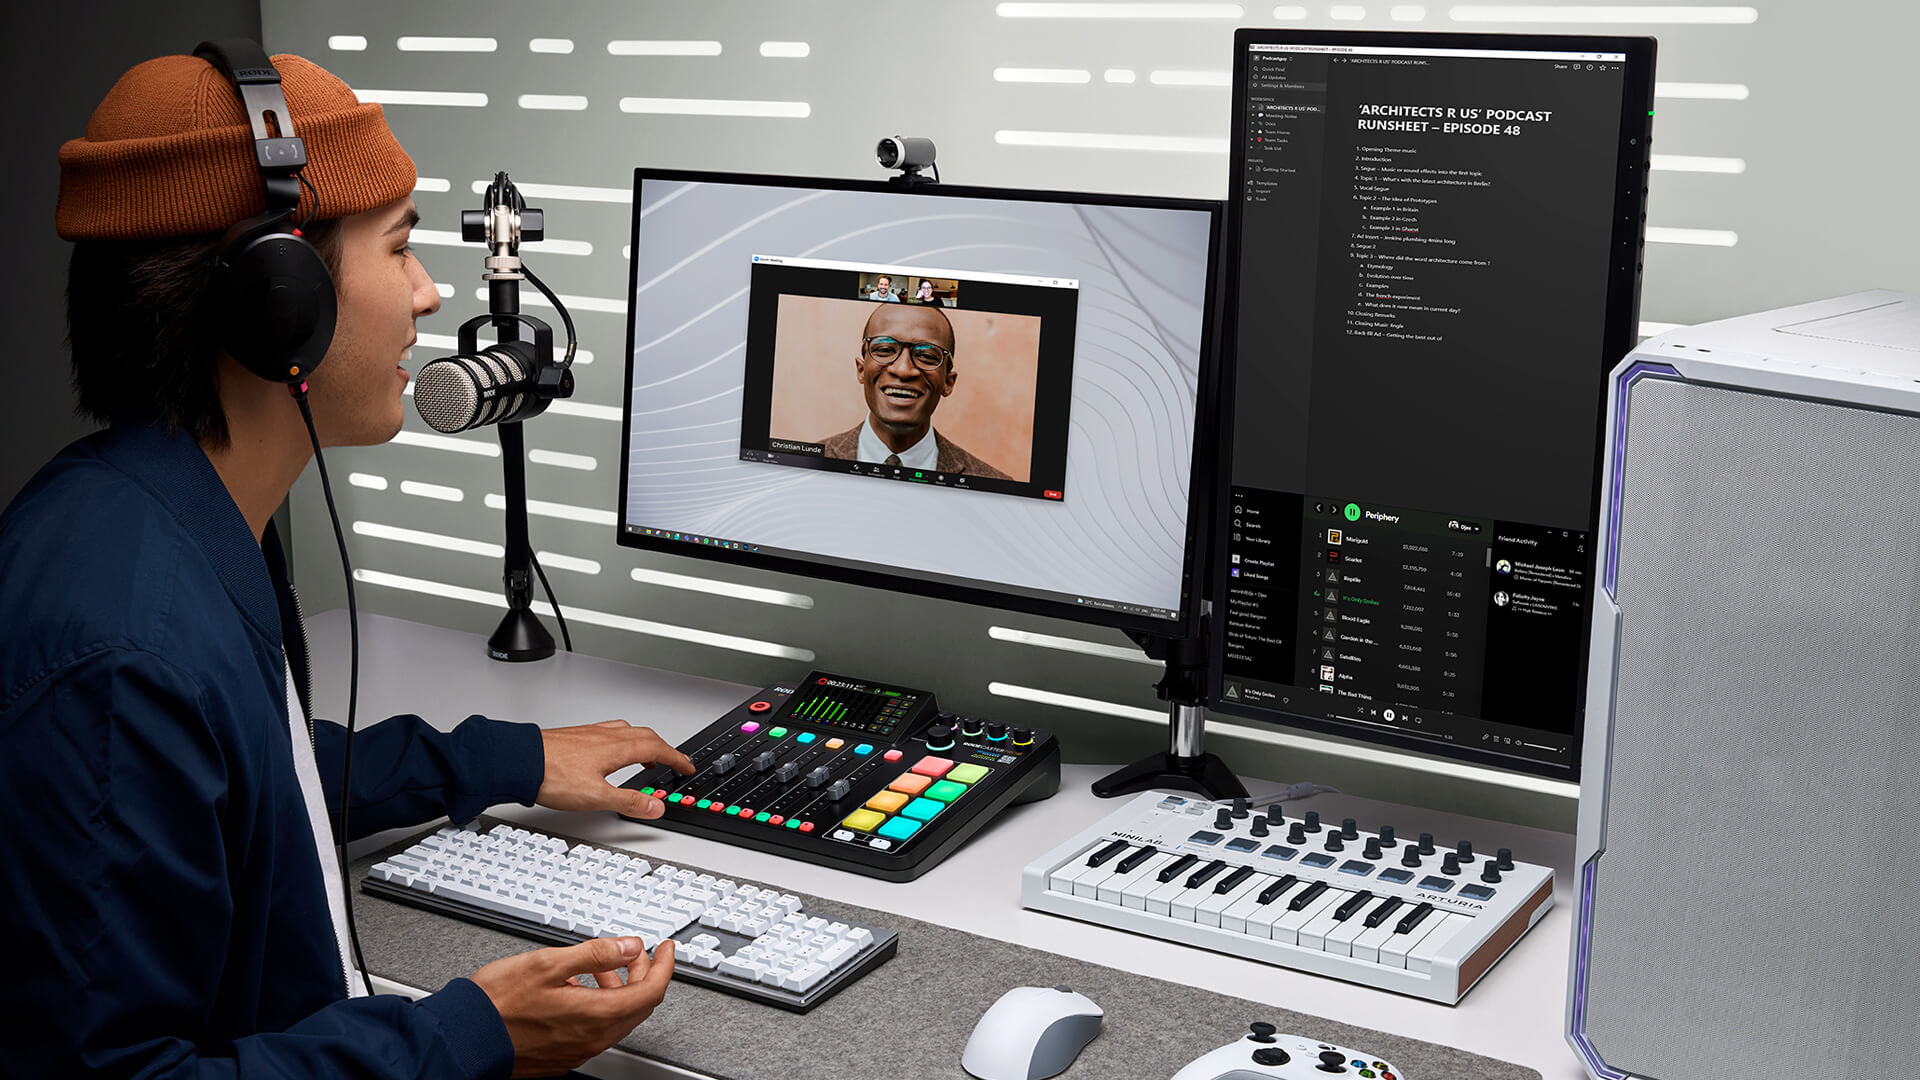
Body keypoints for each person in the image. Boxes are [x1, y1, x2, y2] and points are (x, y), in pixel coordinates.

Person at [0, 47, 697, 1079]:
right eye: (401, 248)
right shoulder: (124, 650)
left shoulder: (154, 516)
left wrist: (497, 763)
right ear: (281, 301)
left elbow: (242, 786)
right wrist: (468, 1038)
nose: (425, 295)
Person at [818, 303, 1012, 478]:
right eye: (885, 350)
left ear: (948, 382)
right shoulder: (802, 468)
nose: (903, 370)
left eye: (926, 356)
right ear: (861, 370)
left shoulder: (993, 484)